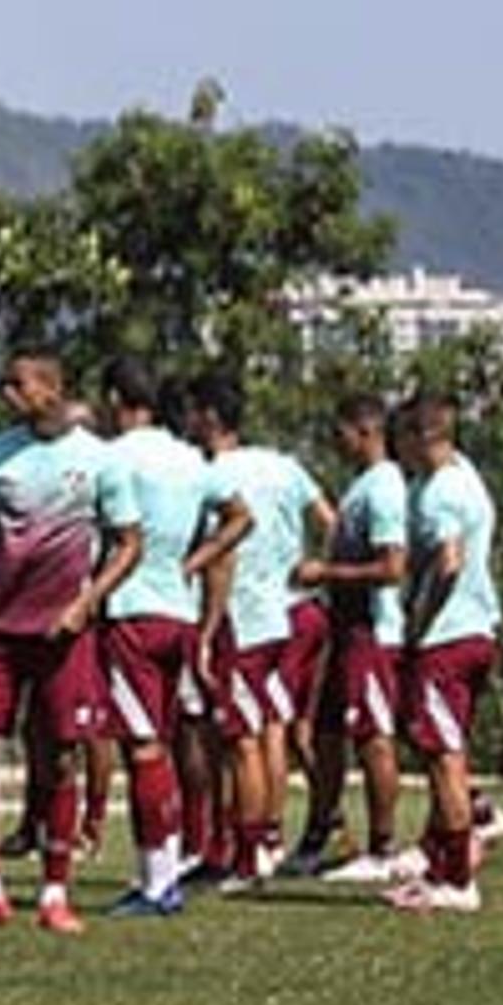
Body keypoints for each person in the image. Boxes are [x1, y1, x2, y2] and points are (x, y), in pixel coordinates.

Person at [0, 350, 135, 936]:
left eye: (16, 384)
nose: (6, 393)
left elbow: (128, 544)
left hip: (62, 632)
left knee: (58, 758)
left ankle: (54, 893)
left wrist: (83, 606)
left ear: (50, 387)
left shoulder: (98, 460)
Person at [177, 373, 327, 889]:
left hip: (240, 616)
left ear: (210, 417)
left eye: (193, 411)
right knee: (267, 728)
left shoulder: (210, 474)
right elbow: (329, 519)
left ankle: (250, 852)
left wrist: (207, 623)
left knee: (240, 738)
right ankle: (262, 839)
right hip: (283, 612)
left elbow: (226, 551)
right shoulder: (283, 465)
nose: (187, 422)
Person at [92, 360, 211, 917]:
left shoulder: (111, 458)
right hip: (178, 612)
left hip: (131, 612)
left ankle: (157, 880)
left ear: (117, 399)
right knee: (160, 742)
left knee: (142, 747)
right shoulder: (191, 458)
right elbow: (237, 518)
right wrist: (191, 562)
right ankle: (167, 868)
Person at [385, 395, 500, 915]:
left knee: (442, 755)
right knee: (447, 749)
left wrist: (418, 623)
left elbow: (449, 563)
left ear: (416, 438)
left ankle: (457, 879)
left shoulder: (436, 494)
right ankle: (439, 864)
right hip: (481, 630)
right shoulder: (468, 475)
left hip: (445, 639)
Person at [293, 395, 411, 880]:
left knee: (373, 738)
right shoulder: (361, 486)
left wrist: (326, 572)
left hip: (372, 631)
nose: (335, 443)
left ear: (364, 431)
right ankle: (319, 833)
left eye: (340, 433)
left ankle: (383, 847)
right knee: (325, 736)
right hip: (344, 631)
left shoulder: (383, 487)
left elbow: (392, 567)